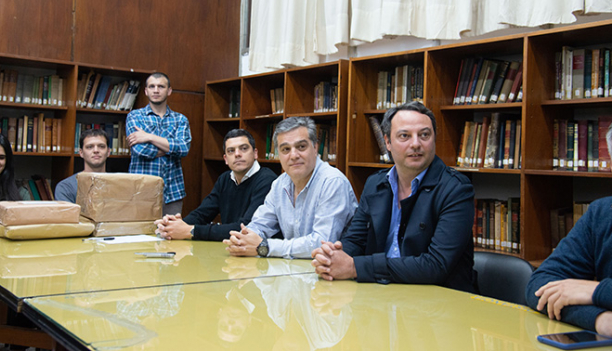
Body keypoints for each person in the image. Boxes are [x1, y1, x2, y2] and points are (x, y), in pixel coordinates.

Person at [311, 101, 476, 293]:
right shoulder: (376, 184)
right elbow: (355, 240)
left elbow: (435, 266)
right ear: (387, 142)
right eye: (404, 136)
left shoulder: (456, 189)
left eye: (424, 135)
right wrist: (332, 258)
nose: (416, 144)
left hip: (439, 304)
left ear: (434, 139)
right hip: (382, 294)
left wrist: (354, 267)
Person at [224, 117, 357, 259]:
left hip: (330, 275)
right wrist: (243, 240)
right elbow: (260, 224)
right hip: (292, 271)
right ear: (278, 154)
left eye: (301, 147)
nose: (293, 155)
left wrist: (265, 247)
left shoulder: (332, 182)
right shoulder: (279, 184)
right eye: (286, 149)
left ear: (315, 147)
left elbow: (322, 243)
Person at [525, 124, 612, 336]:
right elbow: (540, 286)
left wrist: (595, 291)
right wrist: (600, 320)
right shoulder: (602, 213)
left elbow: (588, 291)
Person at [155, 129, 277, 241]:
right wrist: (174, 226)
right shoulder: (224, 179)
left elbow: (246, 228)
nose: (237, 154)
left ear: (255, 153)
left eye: (244, 148)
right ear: (225, 159)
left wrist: (191, 230)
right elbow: (202, 213)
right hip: (231, 248)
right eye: (231, 151)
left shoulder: (267, 180)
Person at [126, 72, 191, 216]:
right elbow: (141, 149)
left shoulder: (180, 119)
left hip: (173, 192)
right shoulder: (135, 116)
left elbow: (183, 148)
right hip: (141, 192)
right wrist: (170, 147)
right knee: (141, 237)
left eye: (161, 86)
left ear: (169, 91)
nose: (156, 90)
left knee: (171, 235)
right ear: (146, 91)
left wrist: (148, 136)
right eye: (152, 86)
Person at [55, 128, 111, 203]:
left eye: (101, 146)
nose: (96, 150)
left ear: (108, 152)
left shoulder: (119, 186)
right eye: (90, 147)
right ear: (81, 153)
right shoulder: (66, 187)